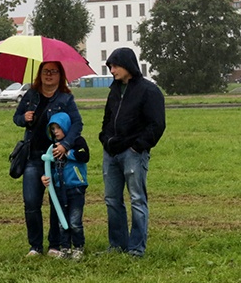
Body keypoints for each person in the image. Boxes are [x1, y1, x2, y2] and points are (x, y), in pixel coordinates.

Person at [98, 47, 166, 257]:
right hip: (111, 153)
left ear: (128, 65)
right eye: (110, 66)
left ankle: (136, 248)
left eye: (115, 65)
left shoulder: (149, 90)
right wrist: (105, 139)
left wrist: (137, 146)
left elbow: (157, 124)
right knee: (112, 199)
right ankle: (117, 245)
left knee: (137, 199)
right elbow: (107, 119)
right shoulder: (114, 91)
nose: (112, 70)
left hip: (133, 154)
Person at [13, 61, 83, 257]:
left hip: (57, 159)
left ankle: (54, 244)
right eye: (46, 71)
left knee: (56, 202)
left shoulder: (66, 99)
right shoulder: (30, 95)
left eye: (54, 72)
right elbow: (16, 117)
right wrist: (23, 118)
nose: (49, 75)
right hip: (33, 158)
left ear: (60, 76)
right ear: (40, 74)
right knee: (31, 202)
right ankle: (35, 246)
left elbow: (77, 124)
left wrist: (65, 145)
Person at [40, 112, 90, 260]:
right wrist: (45, 177)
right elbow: (48, 165)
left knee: (75, 221)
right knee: (62, 221)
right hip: (59, 189)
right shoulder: (52, 146)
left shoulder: (78, 141)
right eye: (53, 129)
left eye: (58, 128)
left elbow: (84, 156)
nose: (56, 131)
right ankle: (65, 248)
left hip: (76, 187)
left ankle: (78, 247)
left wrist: (67, 152)